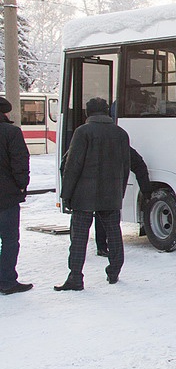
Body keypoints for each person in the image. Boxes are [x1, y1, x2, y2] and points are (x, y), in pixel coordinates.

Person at [56, 97, 131, 291]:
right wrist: (119, 192)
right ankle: (114, 272)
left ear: (88, 112)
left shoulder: (83, 132)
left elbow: (73, 165)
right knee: (114, 234)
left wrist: (66, 195)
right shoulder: (120, 133)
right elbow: (125, 167)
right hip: (111, 194)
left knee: (79, 238)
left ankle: (75, 277)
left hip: (83, 195)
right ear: (106, 111)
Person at [0, 97, 32, 295]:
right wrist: (22, 185)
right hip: (7, 197)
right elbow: (20, 162)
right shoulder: (11, 132)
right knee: (10, 239)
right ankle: (7, 280)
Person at [94, 147, 152, 256]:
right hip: (112, 189)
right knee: (110, 220)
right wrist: (146, 190)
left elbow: (68, 164)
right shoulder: (120, 144)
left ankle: (86, 250)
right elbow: (139, 166)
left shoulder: (89, 142)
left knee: (82, 221)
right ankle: (109, 249)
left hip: (91, 188)